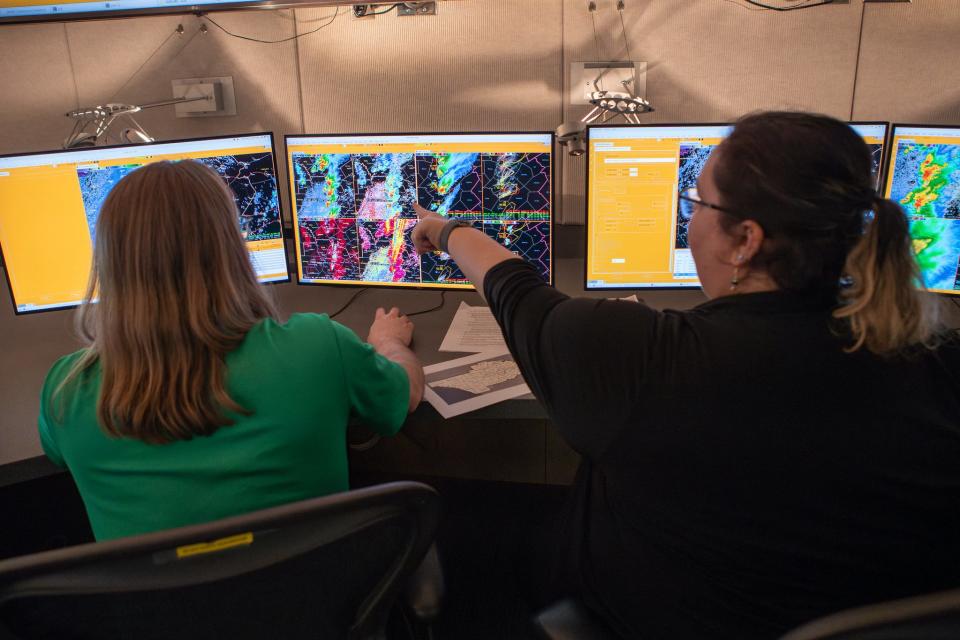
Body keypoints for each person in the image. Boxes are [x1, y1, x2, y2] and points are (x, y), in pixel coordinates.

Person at [412, 111, 960, 639]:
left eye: (695, 202)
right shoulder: (938, 360)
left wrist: (443, 228)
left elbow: (512, 287)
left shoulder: (639, 355)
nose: (689, 216)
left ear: (745, 240)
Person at [39, 160, 424, 542]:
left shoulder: (65, 390)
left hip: (157, 605)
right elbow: (404, 393)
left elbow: (58, 455)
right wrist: (388, 343)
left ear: (109, 260)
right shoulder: (318, 346)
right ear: (231, 248)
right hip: (312, 597)